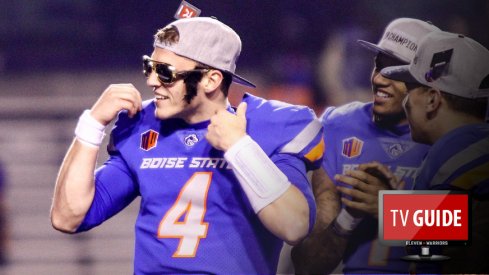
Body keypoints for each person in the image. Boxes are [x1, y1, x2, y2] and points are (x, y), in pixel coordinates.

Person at [49, 17, 323, 274]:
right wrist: (92, 126)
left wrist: (239, 148)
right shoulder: (143, 127)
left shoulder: (267, 126)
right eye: (149, 67)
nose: (151, 81)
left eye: (165, 73)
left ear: (211, 79)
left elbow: (295, 226)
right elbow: (68, 217)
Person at [291, 18, 440, 274]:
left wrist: (390, 209)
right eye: (380, 65)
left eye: (397, 71)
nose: (380, 79)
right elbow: (308, 266)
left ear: (429, 82)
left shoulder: (453, 136)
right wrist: (348, 217)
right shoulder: (340, 126)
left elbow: (471, 234)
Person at [380, 30, 489, 274]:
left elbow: (428, 263)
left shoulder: (448, 156)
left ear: (432, 99)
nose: (406, 102)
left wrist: (384, 209)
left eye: (410, 91)